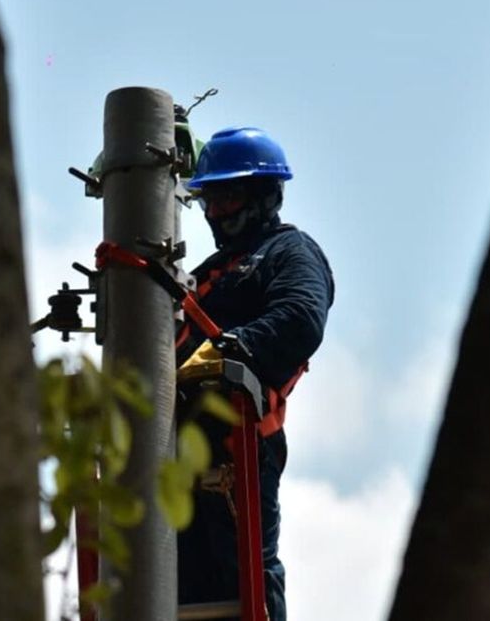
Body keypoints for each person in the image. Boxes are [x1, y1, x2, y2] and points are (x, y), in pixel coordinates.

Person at [175, 127, 334, 621]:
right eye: (210, 200)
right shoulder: (209, 273)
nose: (216, 212)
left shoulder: (290, 252)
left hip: (236, 441)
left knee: (245, 581)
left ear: (266, 196)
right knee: (173, 588)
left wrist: (233, 348)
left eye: (229, 197)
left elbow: (300, 318)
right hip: (175, 443)